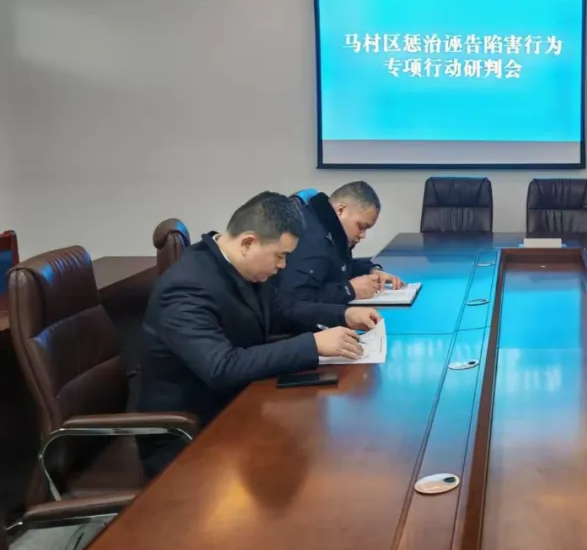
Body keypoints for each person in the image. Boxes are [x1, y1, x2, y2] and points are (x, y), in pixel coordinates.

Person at [137, 191, 381, 476]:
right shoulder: (186, 288)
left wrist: (343, 314)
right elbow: (221, 367)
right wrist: (313, 345)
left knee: (326, 449)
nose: (283, 266)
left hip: (234, 408)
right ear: (248, 243)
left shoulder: (238, 267)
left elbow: (283, 308)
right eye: (280, 256)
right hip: (189, 435)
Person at [277, 181, 403, 305]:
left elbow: (337, 268)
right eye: (361, 226)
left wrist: (371, 270)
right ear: (341, 210)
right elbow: (294, 300)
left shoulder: (328, 229)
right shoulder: (311, 239)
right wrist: (349, 290)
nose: (362, 235)